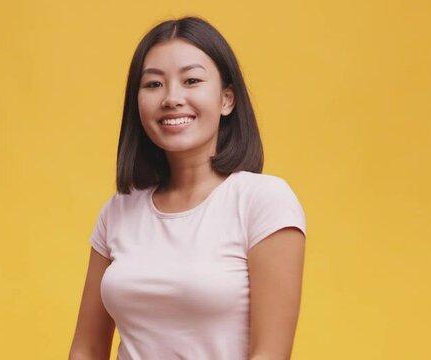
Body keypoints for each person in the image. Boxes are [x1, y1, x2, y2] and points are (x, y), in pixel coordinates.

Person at [69, 16, 307, 360]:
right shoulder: (118, 211)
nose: (171, 98)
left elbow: (270, 354)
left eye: (191, 80)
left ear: (227, 100)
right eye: (153, 85)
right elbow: (86, 349)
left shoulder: (264, 202)